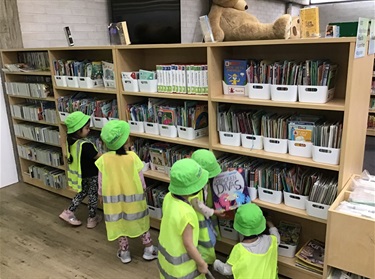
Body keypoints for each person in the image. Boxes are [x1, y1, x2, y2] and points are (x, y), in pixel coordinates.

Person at [95, 120, 157, 264]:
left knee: (119, 225)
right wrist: (142, 190)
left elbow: (101, 181)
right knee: (141, 222)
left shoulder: (104, 160)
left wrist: (100, 194)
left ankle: (125, 253)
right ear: (126, 140)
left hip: (114, 203)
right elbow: (141, 179)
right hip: (135, 200)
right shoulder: (132, 157)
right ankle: (149, 249)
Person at [158, 158, 209, 279]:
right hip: (183, 269)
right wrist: (201, 264)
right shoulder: (187, 213)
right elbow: (188, 245)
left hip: (166, 261)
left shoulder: (168, 197)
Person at [213, 203, 280, 279]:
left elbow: (227, 270)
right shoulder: (271, 240)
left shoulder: (239, 249)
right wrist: (270, 223)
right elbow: (276, 234)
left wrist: (215, 263)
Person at [59, 111, 102, 228]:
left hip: (81, 175)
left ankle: (68, 212)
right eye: (87, 128)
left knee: (81, 193)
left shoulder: (71, 142)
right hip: (92, 175)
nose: (89, 130)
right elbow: (99, 157)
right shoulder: (86, 145)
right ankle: (92, 218)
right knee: (93, 196)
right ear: (78, 131)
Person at [191, 149, 224, 264]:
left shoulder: (204, 182)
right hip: (197, 220)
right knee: (208, 240)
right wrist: (214, 212)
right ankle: (201, 261)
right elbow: (197, 205)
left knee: (210, 237)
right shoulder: (193, 188)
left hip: (205, 217)